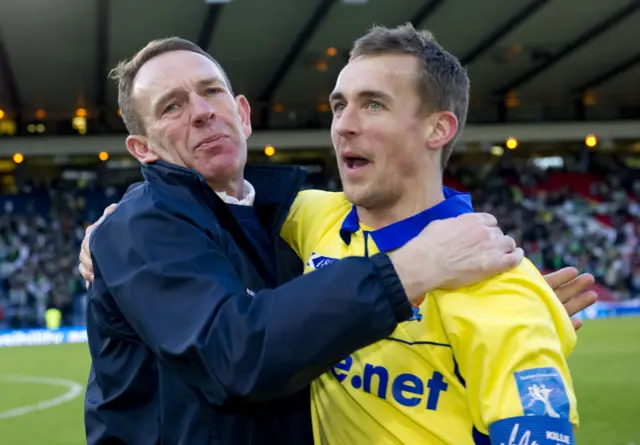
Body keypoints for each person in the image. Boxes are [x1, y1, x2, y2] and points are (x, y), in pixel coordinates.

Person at [77, 38, 596, 445]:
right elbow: (237, 351)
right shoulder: (144, 229)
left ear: (243, 112)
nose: (344, 125)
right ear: (142, 149)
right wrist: (117, 221)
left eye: (372, 105)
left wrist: (523, 309)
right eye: (171, 106)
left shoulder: (291, 213)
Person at [278, 24, 585, 444]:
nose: (343, 125)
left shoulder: (499, 284)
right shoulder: (313, 216)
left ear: (438, 129)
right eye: (338, 105)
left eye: (372, 105)